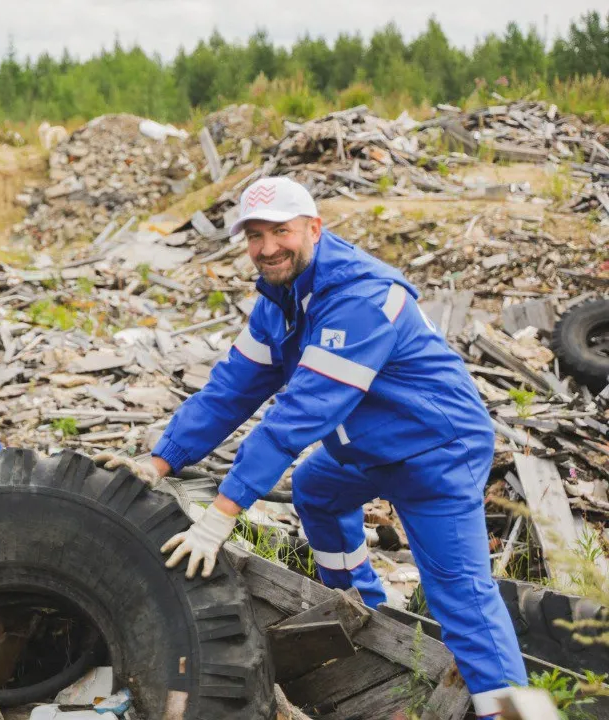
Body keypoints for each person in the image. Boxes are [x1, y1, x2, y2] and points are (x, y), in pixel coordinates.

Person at [95, 176, 527, 718]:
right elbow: (231, 390)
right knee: (317, 487)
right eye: (255, 235)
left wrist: (222, 512)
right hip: (369, 448)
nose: (267, 247)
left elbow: (301, 414)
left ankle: (509, 714)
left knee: (462, 599)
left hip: (435, 451)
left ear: (314, 228)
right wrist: (158, 462)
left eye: (281, 231)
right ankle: (363, 611)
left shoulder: (364, 299)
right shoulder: (279, 301)